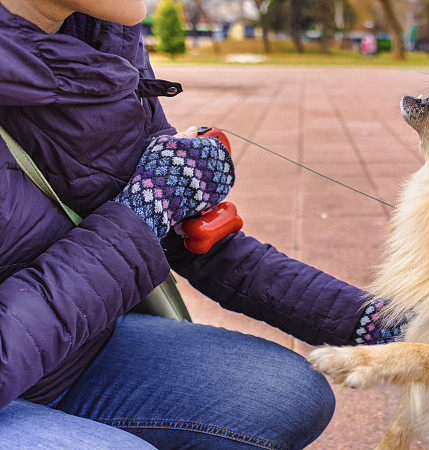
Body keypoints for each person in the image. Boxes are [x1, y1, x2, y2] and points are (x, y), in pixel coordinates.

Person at [0, 0, 403, 448]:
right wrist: (145, 209)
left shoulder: (99, 41)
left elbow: (193, 239)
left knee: (288, 394)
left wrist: (379, 324)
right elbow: (147, 214)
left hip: (69, 355)